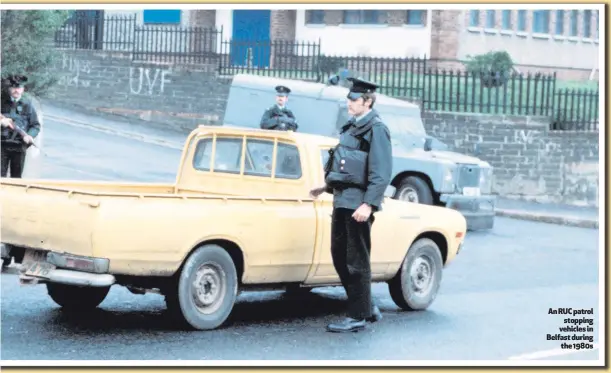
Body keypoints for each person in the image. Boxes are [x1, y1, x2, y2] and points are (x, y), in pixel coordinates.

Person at [310, 77, 393, 333]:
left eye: (354, 99)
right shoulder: (351, 127)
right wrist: (326, 186)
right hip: (342, 201)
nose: (349, 103)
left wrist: (369, 204)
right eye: (348, 98)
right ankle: (365, 306)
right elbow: (345, 165)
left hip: (358, 205)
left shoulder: (376, 129)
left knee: (356, 260)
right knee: (339, 255)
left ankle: (358, 315)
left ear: (367, 102)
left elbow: (381, 172)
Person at [1, 74, 41, 178]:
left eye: (19, 87)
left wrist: (30, 136)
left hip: (19, 147)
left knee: (17, 179)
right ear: (9, 88)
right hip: (2, 146)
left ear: (23, 89)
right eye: (14, 87)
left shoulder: (27, 105)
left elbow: (35, 125)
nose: (16, 90)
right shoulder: (1, 103)